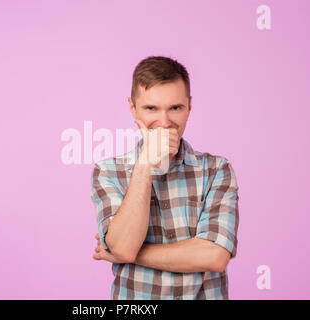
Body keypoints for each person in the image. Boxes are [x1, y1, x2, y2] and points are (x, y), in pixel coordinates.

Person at [90, 56, 239, 299]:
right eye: (151, 108)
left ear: (189, 107)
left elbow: (215, 256)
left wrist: (126, 253)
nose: (164, 122)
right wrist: (145, 164)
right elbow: (124, 248)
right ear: (132, 108)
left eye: (175, 108)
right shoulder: (108, 172)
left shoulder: (216, 170)